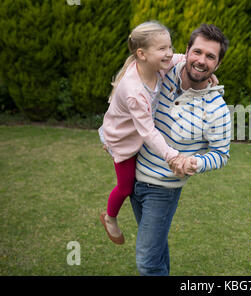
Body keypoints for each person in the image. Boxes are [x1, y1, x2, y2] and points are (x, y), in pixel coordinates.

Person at [130, 23, 231, 276]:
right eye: (197, 52)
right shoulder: (164, 72)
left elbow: (221, 154)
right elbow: (141, 55)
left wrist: (195, 162)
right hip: (134, 174)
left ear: (217, 65)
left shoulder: (217, 109)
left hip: (163, 188)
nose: (201, 60)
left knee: (147, 260)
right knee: (156, 248)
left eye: (210, 57)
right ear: (186, 51)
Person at [98, 21, 208, 245]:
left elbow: (180, 58)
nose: (169, 53)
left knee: (143, 174)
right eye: (162, 49)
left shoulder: (156, 66)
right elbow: (148, 132)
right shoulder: (134, 91)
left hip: (131, 132)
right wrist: (172, 156)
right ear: (142, 53)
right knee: (126, 185)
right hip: (123, 140)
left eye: (169, 46)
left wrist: (206, 76)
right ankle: (110, 217)